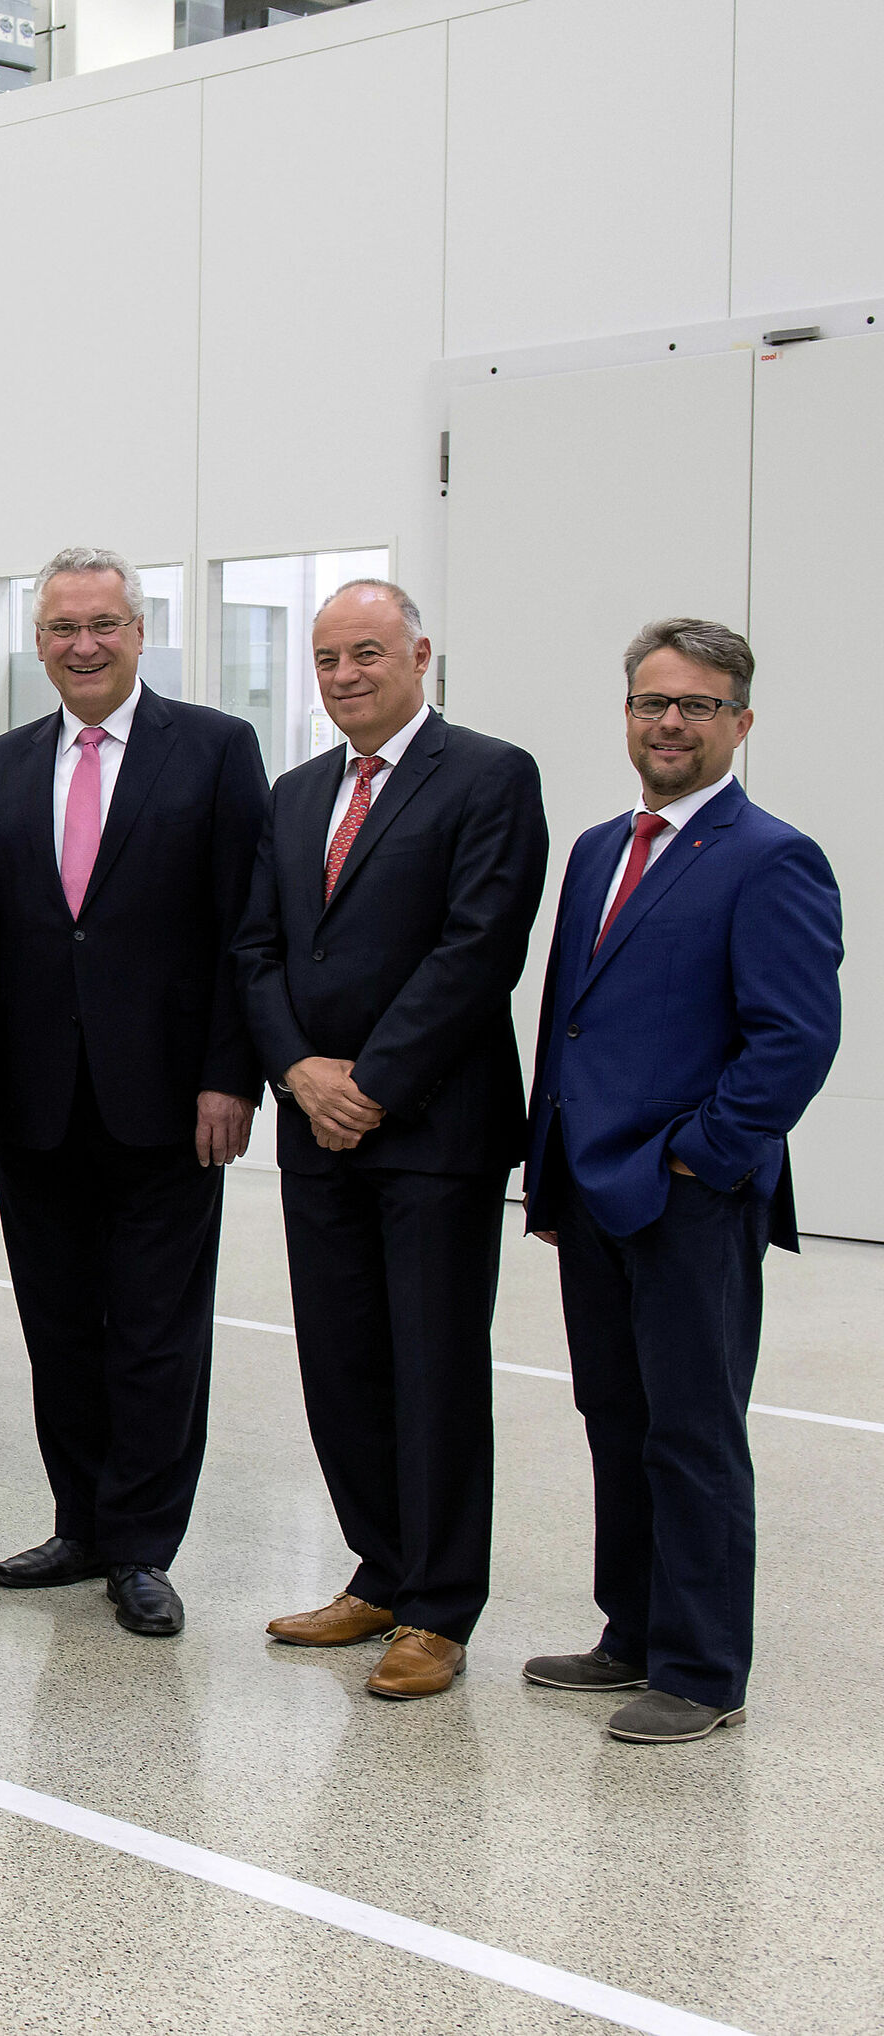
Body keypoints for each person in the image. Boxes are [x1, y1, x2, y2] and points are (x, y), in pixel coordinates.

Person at [521, 618, 842, 1745]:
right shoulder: (602, 847)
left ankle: (702, 1668)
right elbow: (571, 1019)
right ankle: (633, 1631)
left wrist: (702, 1154)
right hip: (593, 1189)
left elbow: (794, 1039)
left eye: (697, 706)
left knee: (693, 1428)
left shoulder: (772, 857)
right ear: (626, 716)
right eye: (652, 702)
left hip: (690, 1197)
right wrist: (549, 1173)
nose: (670, 723)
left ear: (740, 723)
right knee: (616, 1415)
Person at [234, 579, 548, 1700]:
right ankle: (382, 1566)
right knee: (342, 1364)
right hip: (318, 1129)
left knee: (435, 1369)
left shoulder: (490, 775)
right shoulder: (294, 792)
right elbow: (256, 949)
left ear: (420, 652)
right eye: (327, 659)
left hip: (431, 1131)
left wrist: (369, 1081)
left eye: (367, 652)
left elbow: (479, 948)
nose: (346, 675)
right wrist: (296, 1071)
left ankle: (441, 1606)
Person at [0, 548, 270, 1639]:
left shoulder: (218, 751)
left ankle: (141, 1546)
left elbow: (247, 930)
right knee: (60, 1327)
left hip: (171, 1103)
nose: (82, 645)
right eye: (60, 628)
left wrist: (232, 1072)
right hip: (37, 1106)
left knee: (154, 1332)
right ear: (37, 643)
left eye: (102, 624)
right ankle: (80, 1520)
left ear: (141, 631)